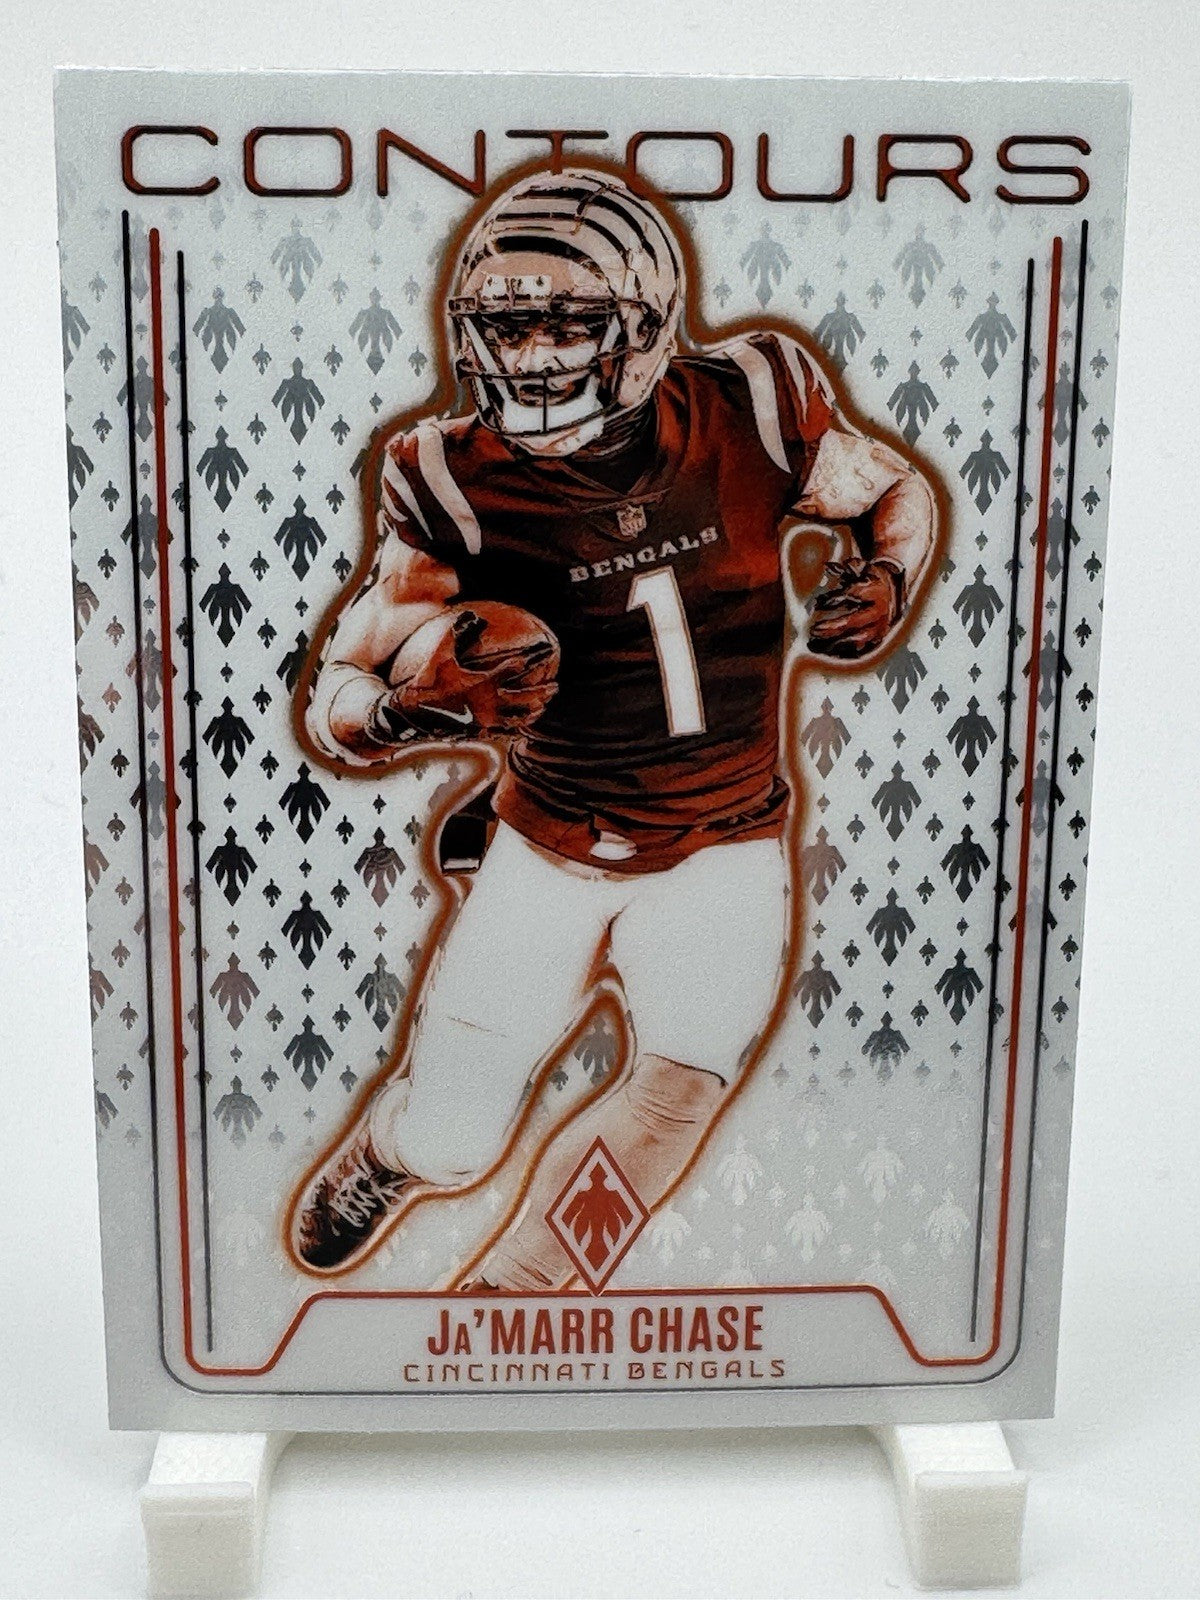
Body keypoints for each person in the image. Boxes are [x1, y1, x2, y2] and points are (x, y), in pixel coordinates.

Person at [287, 166, 937, 1283]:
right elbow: (337, 688)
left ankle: (521, 1288)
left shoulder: (753, 399)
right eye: (506, 326)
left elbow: (892, 489)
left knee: (677, 1097)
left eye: (566, 324)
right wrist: (399, 710)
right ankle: (392, 1152)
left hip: (729, 835)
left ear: (642, 324)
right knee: (453, 1139)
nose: (533, 358)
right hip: (551, 843)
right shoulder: (447, 473)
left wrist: (888, 571)